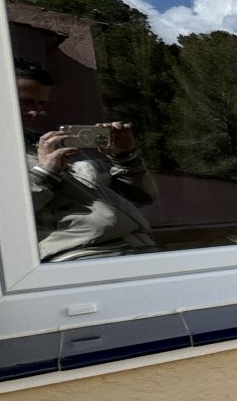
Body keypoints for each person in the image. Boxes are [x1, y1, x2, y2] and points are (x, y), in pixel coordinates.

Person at [16, 56, 157, 261]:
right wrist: (45, 174)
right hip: (83, 256)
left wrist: (126, 156)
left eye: (41, 105)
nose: (36, 113)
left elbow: (143, 197)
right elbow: (3, 221)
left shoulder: (54, 144)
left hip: (138, 247)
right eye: (25, 103)